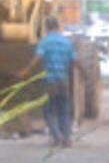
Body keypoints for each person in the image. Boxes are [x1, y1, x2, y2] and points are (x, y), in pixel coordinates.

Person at [21, 15, 78, 147]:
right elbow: (75, 60)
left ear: (46, 27)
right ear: (58, 26)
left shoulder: (45, 42)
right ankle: (67, 139)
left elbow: (38, 58)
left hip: (50, 82)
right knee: (64, 111)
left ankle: (57, 137)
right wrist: (83, 73)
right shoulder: (66, 42)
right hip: (63, 81)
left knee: (49, 111)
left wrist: (26, 71)